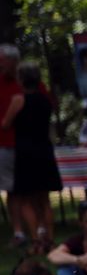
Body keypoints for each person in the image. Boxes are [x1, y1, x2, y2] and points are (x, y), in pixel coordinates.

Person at [4, 63, 61, 256]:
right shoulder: (45, 100)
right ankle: (50, 240)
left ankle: (36, 241)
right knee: (44, 199)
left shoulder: (19, 100)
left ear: (21, 79)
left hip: (25, 152)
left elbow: (5, 124)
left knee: (27, 199)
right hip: (44, 150)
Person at [0, 46, 22, 249]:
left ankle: (40, 231)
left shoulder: (26, 80)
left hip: (27, 145)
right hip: (5, 144)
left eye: (2, 60)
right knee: (11, 189)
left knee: (33, 188)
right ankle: (18, 231)